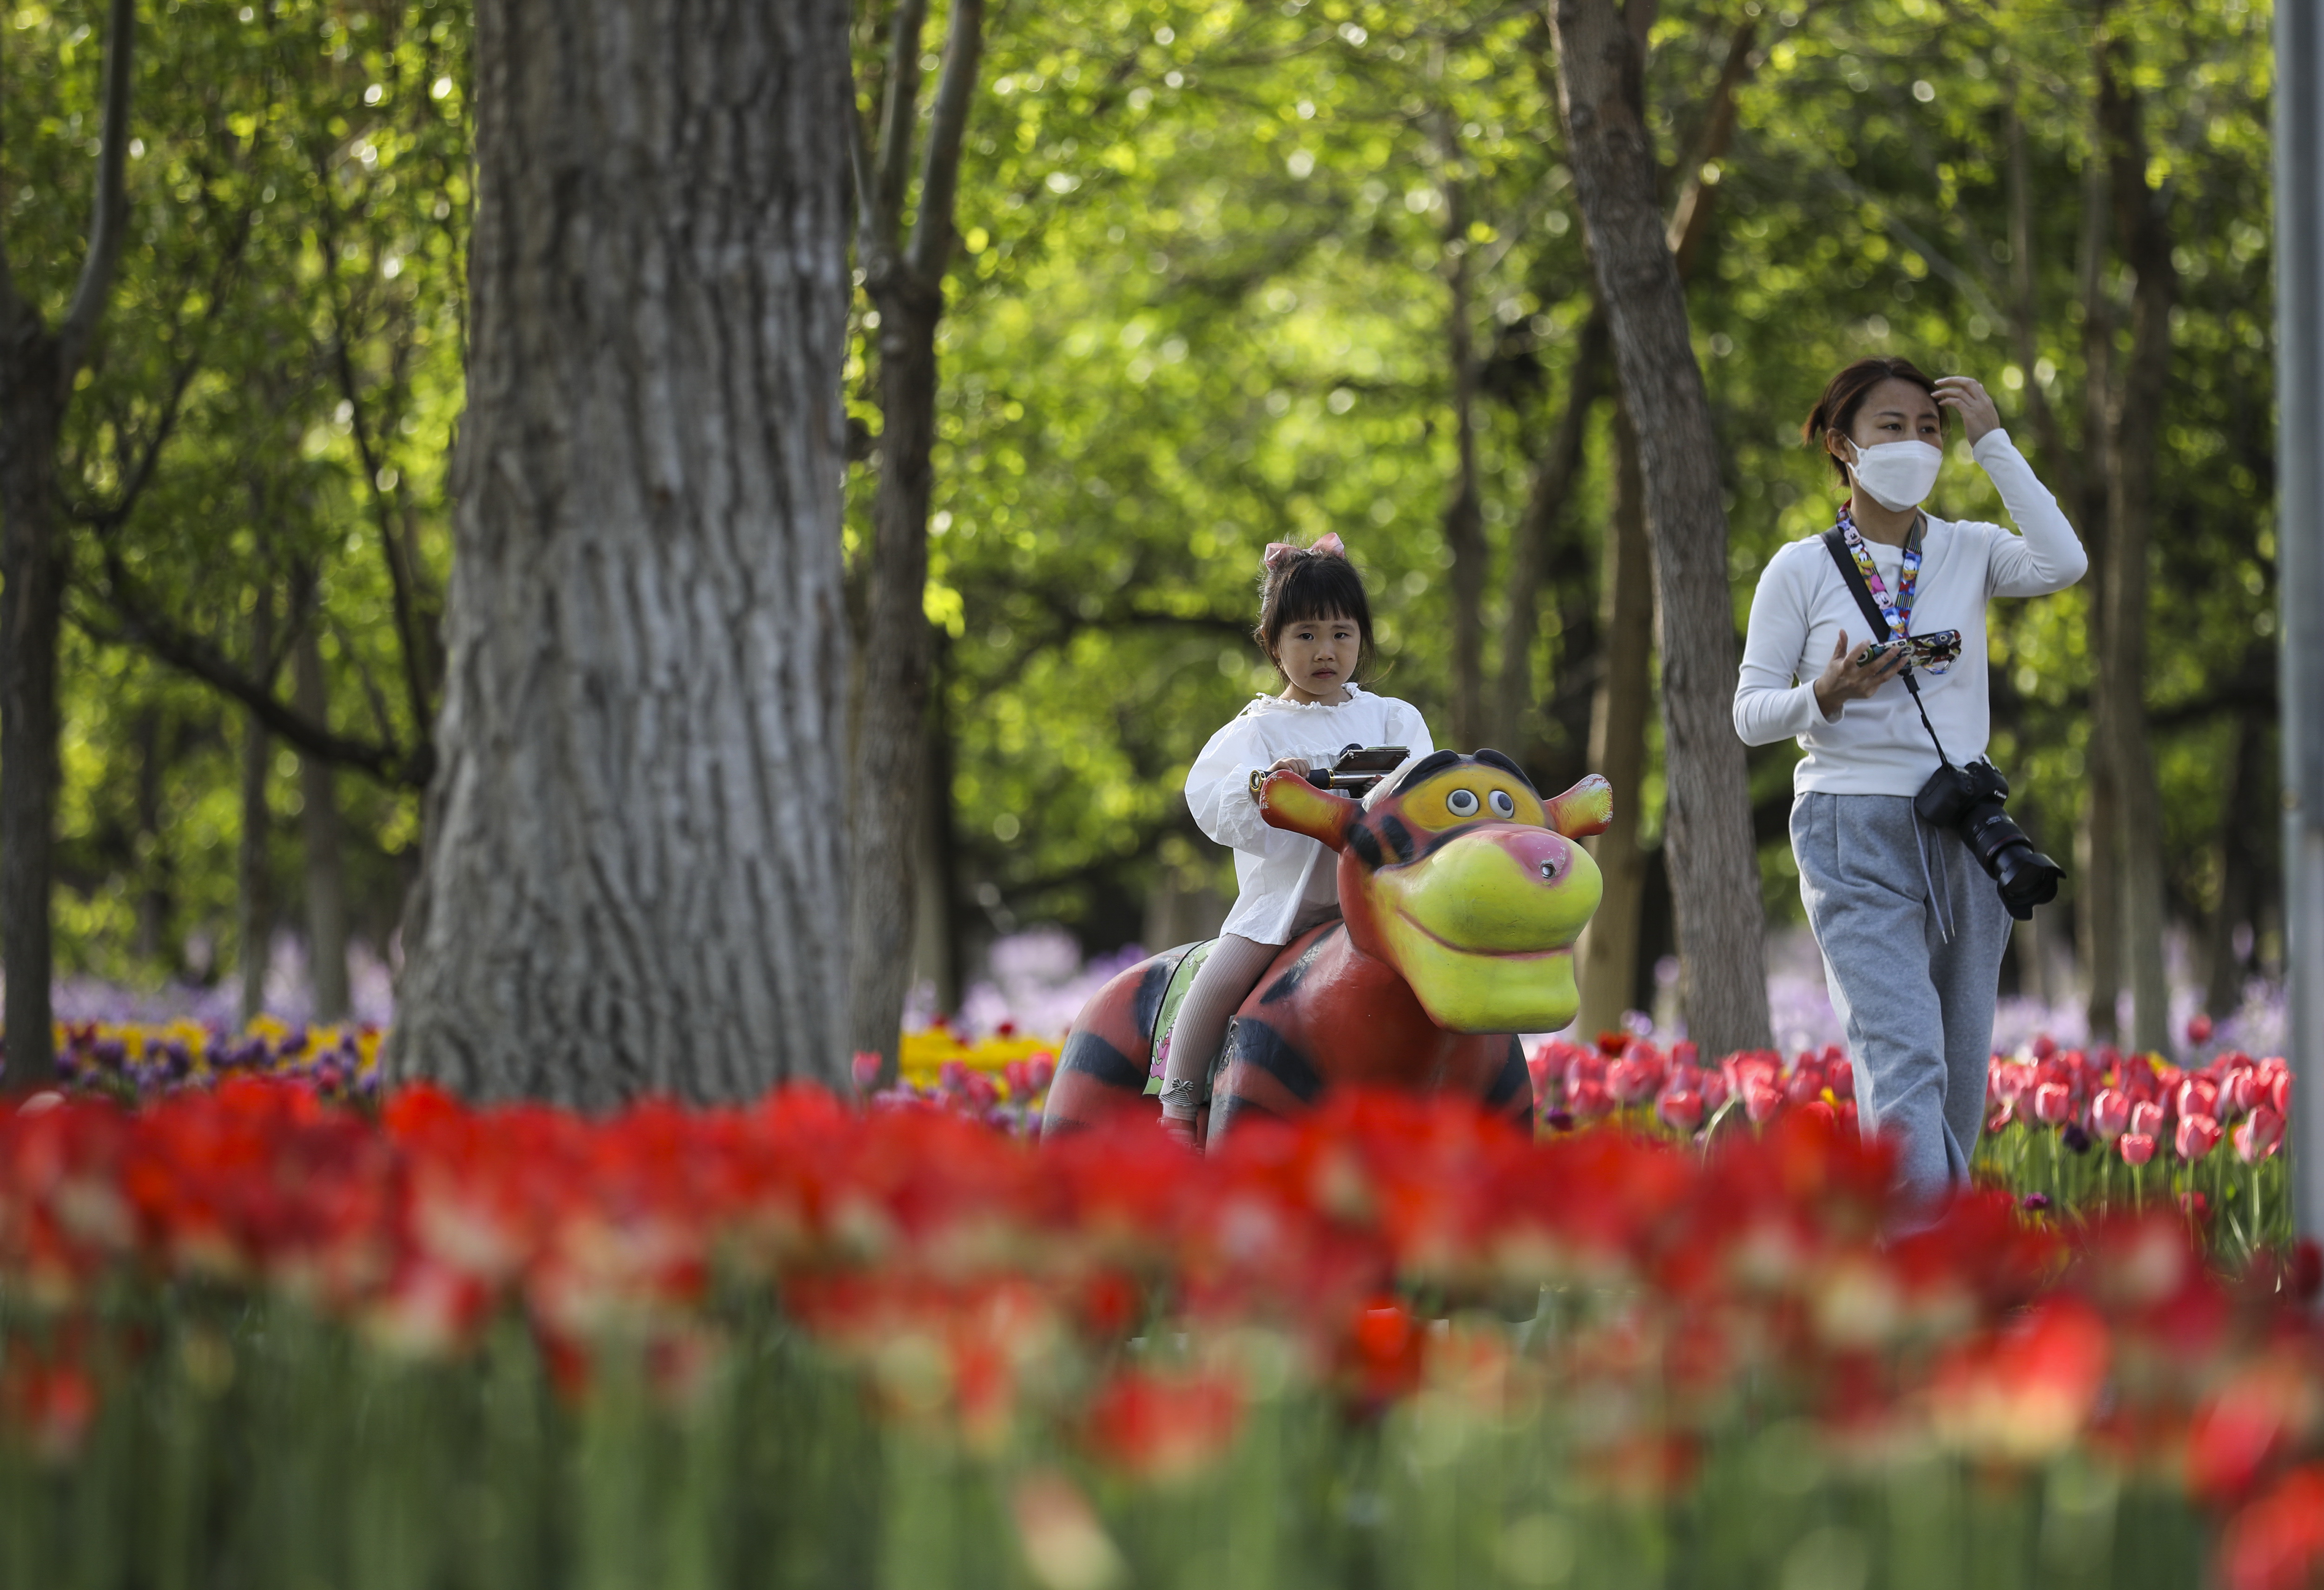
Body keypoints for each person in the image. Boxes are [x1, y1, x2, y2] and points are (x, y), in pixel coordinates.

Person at [1733, 358, 2086, 1213]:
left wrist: (1994, 442)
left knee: (1961, 1065)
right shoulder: (1800, 568)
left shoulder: (1969, 551)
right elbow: (1749, 714)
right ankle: (1929, 1270)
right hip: (1850, 826)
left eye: (1929, 429)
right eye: (1892, 427)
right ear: (1842, 446)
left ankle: (1923, 1254)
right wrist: (1827, 695)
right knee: (1904, 1056)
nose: (1916, 443)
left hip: (1965, 827)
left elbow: (2063, 561)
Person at [1162, 534, 1434, 1147]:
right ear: (1273, 644)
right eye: (1305, 635)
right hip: (1285, 906)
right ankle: (1179, 1107)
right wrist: (1265, 786)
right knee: (1222, 976)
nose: (1325, 651)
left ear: (1362, 639)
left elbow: (1421, 789)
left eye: (1341, 633)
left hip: (1376, 897)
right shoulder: (1256, 730)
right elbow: (1211, 798)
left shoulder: (1392, 719)